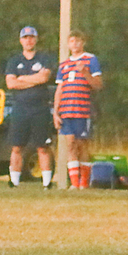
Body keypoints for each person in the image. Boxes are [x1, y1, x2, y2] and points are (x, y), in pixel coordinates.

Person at [4, 25, 56, 188]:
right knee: (17, 146)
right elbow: (11, 83)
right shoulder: (14, 61)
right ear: (21, 40)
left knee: (42, 146)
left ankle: (47, 182)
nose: (28, 41)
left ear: (36, 39)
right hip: (20, 108)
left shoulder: (44, 58)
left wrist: (22, 79)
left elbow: (44, 78)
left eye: (31, 37)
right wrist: (33, 79)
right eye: (25, 38)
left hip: (40, 108)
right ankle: (14, 181)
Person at [52, 29, 102, 189]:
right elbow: (59, 89)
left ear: (83, 42)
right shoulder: (64, 65)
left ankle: (84, 182)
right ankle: (74, 183)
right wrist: (55, 112)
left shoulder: (90, 60)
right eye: (72, 41)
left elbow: (98, 84)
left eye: (78, 41)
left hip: (83, 110)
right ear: (68, 44)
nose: (75, 44)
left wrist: (85, 73)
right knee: (70, 144)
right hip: (66, 110)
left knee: (82, 145)